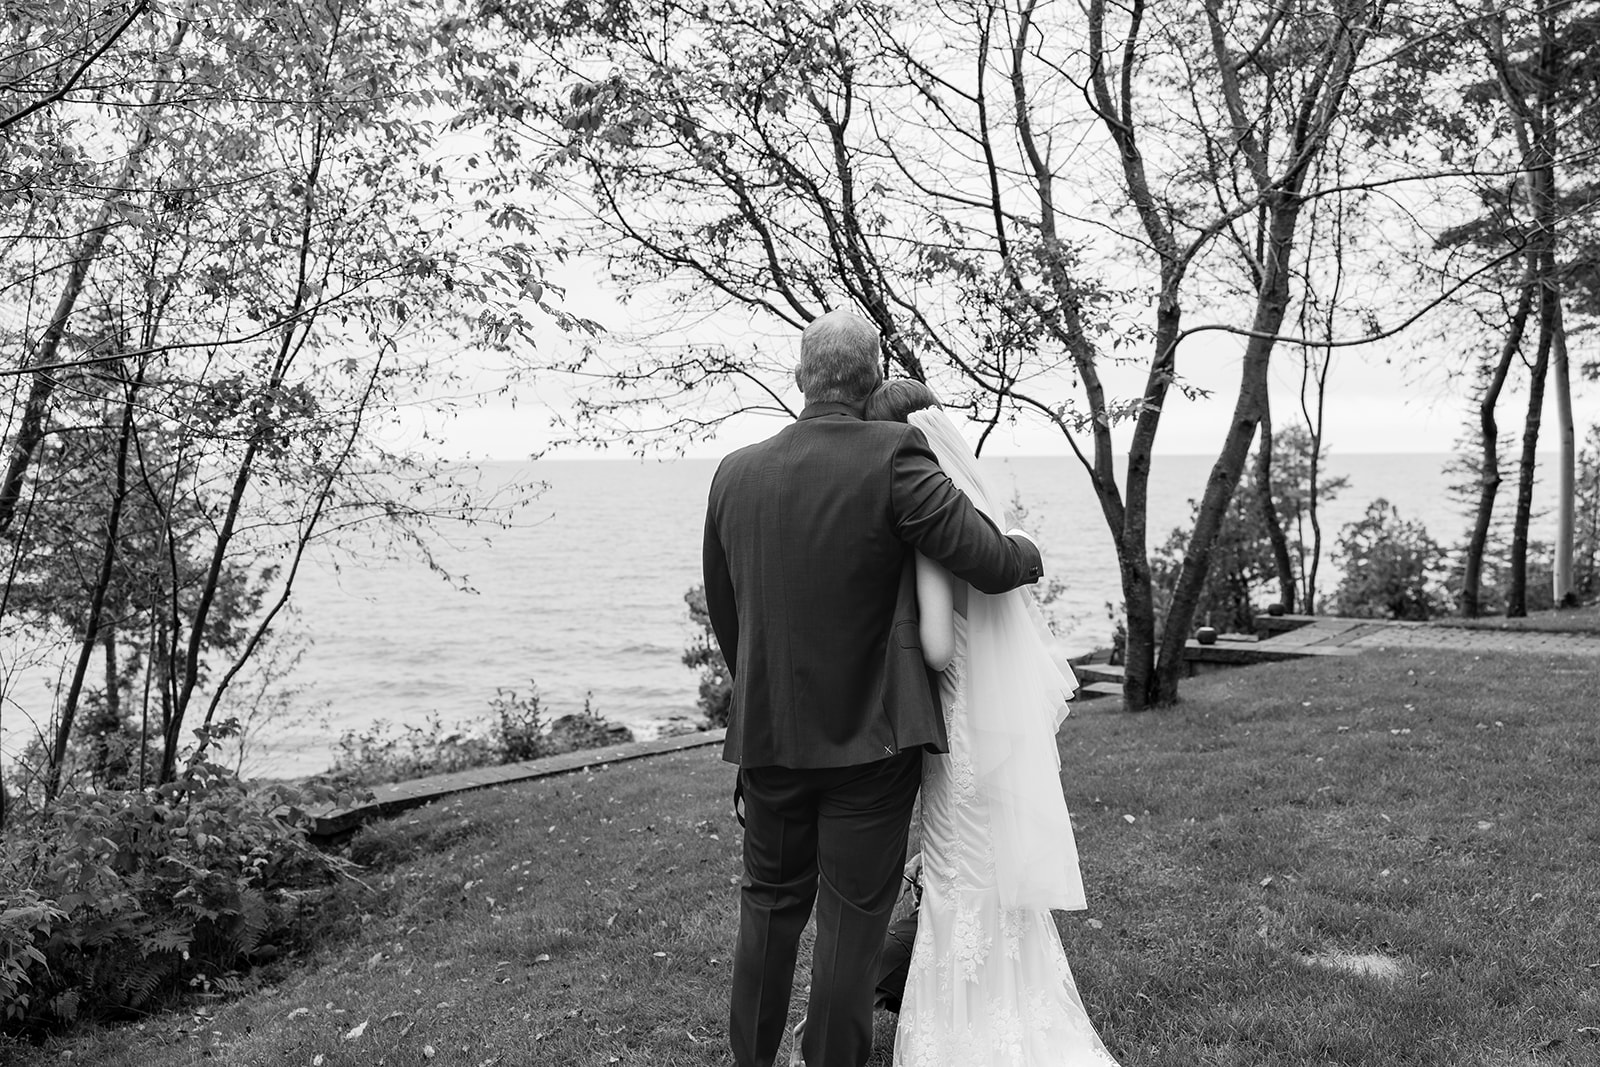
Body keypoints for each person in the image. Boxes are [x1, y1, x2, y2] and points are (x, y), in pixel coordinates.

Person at [702, 311, 1044, 1067]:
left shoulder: (734, 472)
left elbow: (733, 620)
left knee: (767, 907)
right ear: (873, 376)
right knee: (852, 922)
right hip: (871, 745)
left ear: (800, 376)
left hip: (770, 738)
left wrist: (760, 711)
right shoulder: (895, 454)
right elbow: (984, 559)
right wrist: (1028, 552)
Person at [864, 379, 1119, 1066]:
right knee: (996, 882)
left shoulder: (924, 534)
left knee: (955, 877)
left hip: (959, 730)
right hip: (996, 722)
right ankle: (1018, 1011)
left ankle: (963, 1031)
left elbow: (942, 648)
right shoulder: (977, 515)